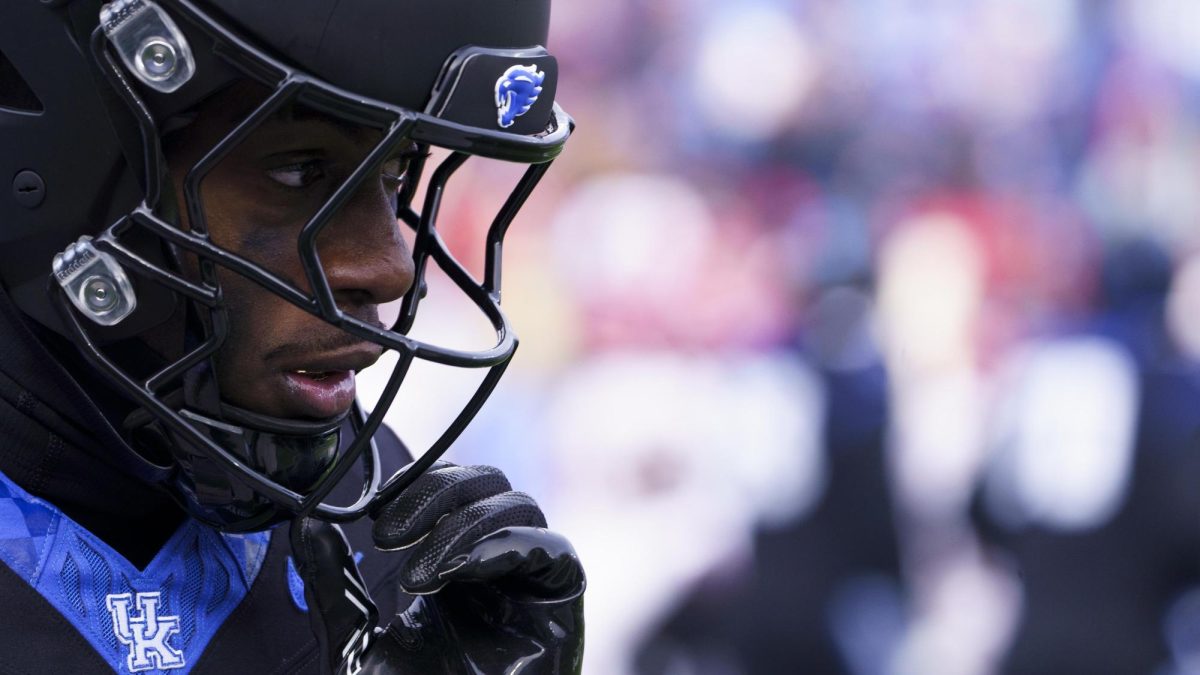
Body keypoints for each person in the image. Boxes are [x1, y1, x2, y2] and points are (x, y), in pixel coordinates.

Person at [0, 1, 583, 673]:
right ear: (66, 164)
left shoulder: (391, 537)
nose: (390, 269)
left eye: (395, 176)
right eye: (299, 170)